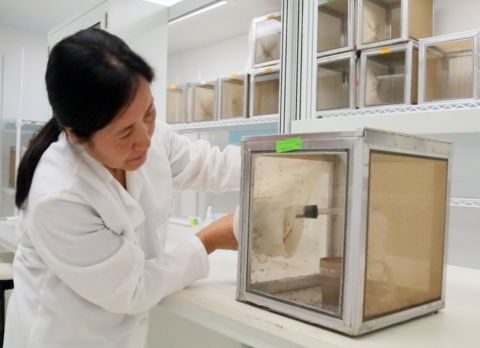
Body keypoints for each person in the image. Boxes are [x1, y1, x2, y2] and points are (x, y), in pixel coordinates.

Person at [3, 28, 240, 348]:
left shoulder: (149, 137)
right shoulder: (59, 195)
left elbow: (208, 165)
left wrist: (276, 160)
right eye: (125, 131)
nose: (144, 138)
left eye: (149, 113)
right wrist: (209, 239)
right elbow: (132, 288)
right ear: (76, 134)